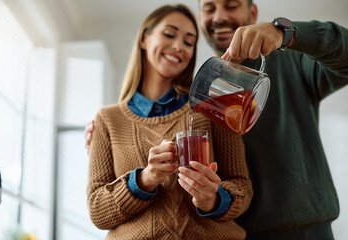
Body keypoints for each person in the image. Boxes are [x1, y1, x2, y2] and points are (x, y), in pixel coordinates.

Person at [86, 0, 348, 239]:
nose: (219, 17)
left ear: (252, 12)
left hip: (302, 231)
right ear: (202, 17)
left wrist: (285, 32)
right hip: (238, 230)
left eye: (231, 5)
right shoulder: (206, 90)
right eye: (210, 8)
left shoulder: (295, 62)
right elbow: (100, 204)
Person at [86, 4, 253, 239]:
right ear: (144, 38)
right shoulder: (107, 120)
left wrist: (213, 199)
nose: (178, 46)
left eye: (189, 42)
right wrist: (145, 179)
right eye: (169, 34)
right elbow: (97, 211)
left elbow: (242, 188)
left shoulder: (212, 107)